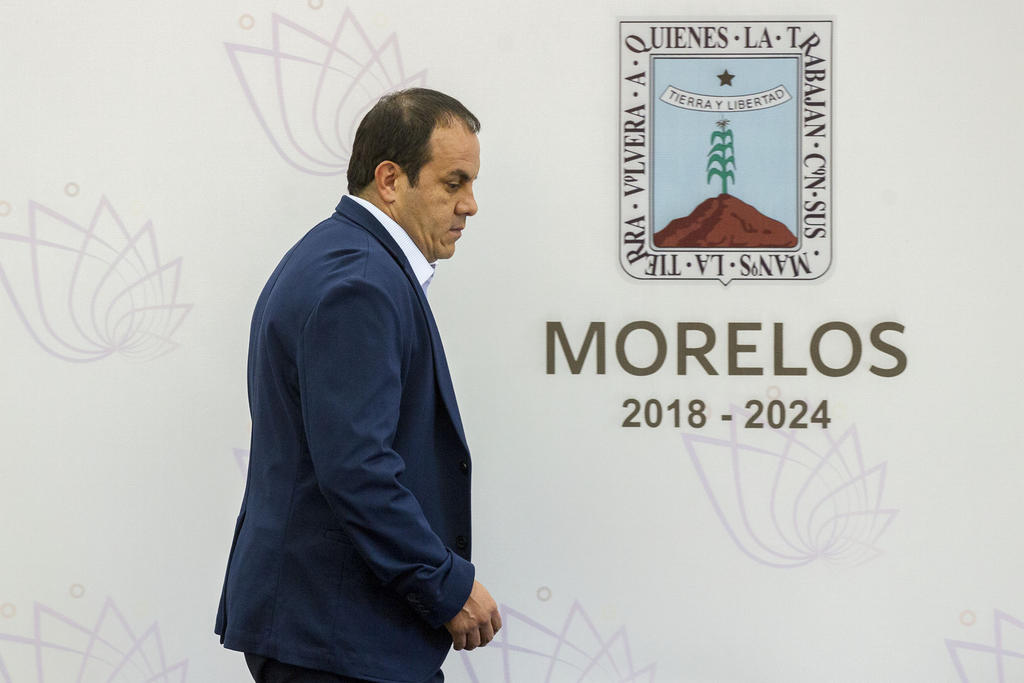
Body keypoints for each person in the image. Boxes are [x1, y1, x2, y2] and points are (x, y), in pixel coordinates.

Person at [215, 88, 501, 683]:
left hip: (332, 631)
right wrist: (444, 583)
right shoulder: (361, 283)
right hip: (336, 637)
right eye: (453, 183)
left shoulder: (342, 257)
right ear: (390, 180)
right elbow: (356, 468)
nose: (470, 205)